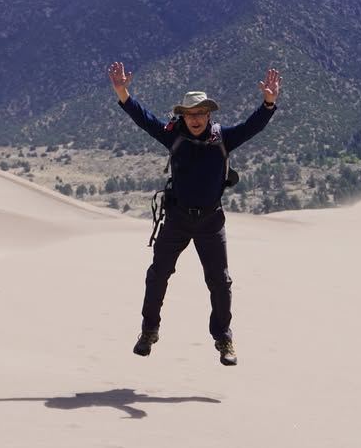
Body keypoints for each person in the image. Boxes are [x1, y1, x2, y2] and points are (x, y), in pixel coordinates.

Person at [107, 61, 281, 366]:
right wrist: (123, 92)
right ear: (182, 116)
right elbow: (143, 119)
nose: (196, 119)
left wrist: (268, 103)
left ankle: (224, 339)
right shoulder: (172, 135)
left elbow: (251, 127)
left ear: (209, 114)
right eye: (190, 114)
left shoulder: (223, 139)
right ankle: (149, 331)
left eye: (201, 113)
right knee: (157, 274)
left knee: (220, 281)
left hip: (211, 221)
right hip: (177, 219)